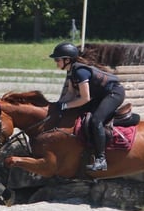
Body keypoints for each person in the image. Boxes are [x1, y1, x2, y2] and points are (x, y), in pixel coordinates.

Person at [49, 42, 125, 171]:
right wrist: (57, 105)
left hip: (114, 93)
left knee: (96, 120)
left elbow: (85, 98)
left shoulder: (80, 72)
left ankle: (101, 159)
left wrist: (65, 106)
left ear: (67, 60)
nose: (56, 62)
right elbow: (71, 93)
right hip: (101, 95)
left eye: (57, 59)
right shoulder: (71, 71)